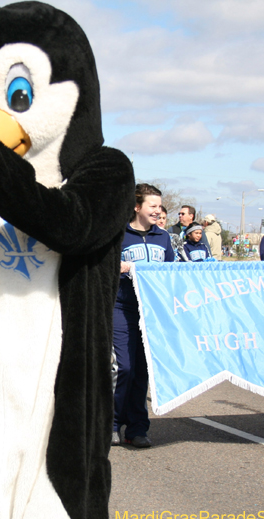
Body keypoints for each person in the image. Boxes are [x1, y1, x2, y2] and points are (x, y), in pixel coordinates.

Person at [114, 183, 175, 448]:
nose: (158, 211)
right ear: (137, 207)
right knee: (123, 367)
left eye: (159, 206)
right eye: (153, 206)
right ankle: (112, 424)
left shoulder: (163, 237)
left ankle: (137, 428)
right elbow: (101, 264)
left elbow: (173, 272)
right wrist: (118, 267)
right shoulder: (118, 234)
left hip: (150, 313)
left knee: (142, 371)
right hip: (121, 308)